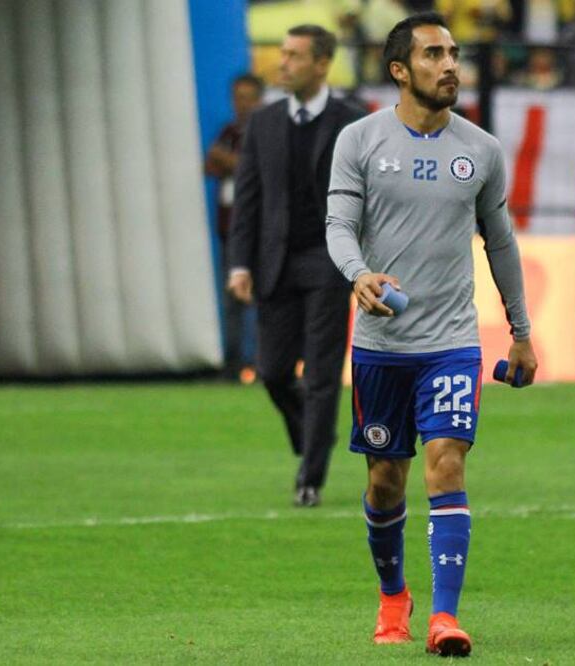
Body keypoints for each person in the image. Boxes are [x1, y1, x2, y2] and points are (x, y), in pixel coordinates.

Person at [325, 12, 537, 657]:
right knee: (384, 481)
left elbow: (500, 243)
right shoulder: (359, 141)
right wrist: (359, 275)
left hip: (451, 341)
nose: (450, 65)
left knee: (446, 463)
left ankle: (446, 618)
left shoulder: (481, 150)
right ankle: (394, 597)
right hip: (381, 347)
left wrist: (521, 332)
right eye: (433, 55)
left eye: (453, 53)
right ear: (400, 70)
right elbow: (338, 225)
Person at [227, 25, 366, 508]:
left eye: (293, 56)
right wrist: (239, 263)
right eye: (281, 54)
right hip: (275, 263)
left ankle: (310, 478)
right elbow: (248, 199)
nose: (281, 63)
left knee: (325, 371)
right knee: (272, 371)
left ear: (322, 64)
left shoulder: (352, 121)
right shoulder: (263, 123)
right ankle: (314, 432)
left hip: (329, 260)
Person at [205, 74, 263, 383]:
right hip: (230, 228)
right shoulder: (229, 132)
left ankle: (260, 362)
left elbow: (251, 169)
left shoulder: (266, 132)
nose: (242, 103)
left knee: (259, 298)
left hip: (259, 231)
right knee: (231, 300)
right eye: (237, 97)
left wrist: (228, 161)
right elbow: (209, 165)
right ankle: (233, 364)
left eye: (247, 97)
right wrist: (230, 162)